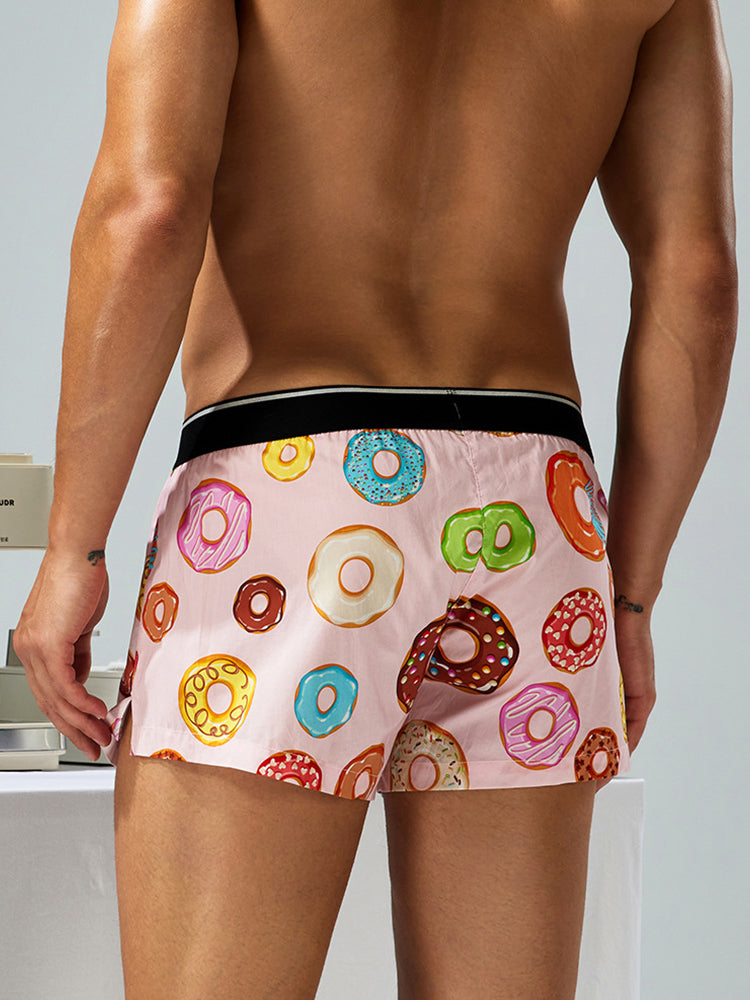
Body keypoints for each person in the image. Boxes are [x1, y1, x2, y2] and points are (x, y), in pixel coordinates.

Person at [12, 0, 737, 997]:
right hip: (536, 508)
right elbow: (697, 276)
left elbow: (152, 208)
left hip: (284, 491)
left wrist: (72, 548)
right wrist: (635, 593)